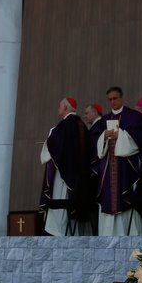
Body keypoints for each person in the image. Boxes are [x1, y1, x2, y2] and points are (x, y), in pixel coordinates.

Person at [39, 97, 95, 236]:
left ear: (65, 108)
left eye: (60, 106)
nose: (58, 109)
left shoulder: (64, 125)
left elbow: (53, 145)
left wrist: (48, 141)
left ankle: (62, 232)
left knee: (61, 204)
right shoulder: (81, 125)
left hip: (64, 176)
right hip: (80, 177)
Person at [95, 86, 142, 235]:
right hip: (108, 169)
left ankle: (129, 234)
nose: (112, 102)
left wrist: (121, 135)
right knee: (108, 199)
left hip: (125, 167)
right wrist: (104, 136)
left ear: (122, 98)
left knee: (125, 199)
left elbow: (140, 138)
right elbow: (95, 141)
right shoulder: (104, 119)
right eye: (110, 99)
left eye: (115, 98)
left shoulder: (133, 116)